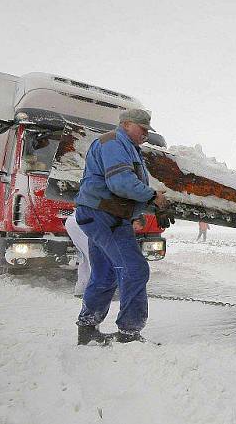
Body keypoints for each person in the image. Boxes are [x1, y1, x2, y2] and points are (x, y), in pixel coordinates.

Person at [74, 108, 168, 345]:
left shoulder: (127, 147)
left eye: (148, 131)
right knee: (136, 270)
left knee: (105, 274)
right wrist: (152, 197)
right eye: (142, 129)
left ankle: (87, 330)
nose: (145, 135)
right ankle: (129, 333)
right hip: (104, 216)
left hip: (104, 215)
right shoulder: (114, 143)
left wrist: (143, 211)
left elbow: (122, 188)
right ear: (126, 124)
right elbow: (120, 183)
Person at [64, 214, 90, 297]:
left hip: (76, 222)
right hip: (81, 223)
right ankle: (96, 292)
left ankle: (81, 290)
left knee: (86, 258)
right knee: (94, 258)